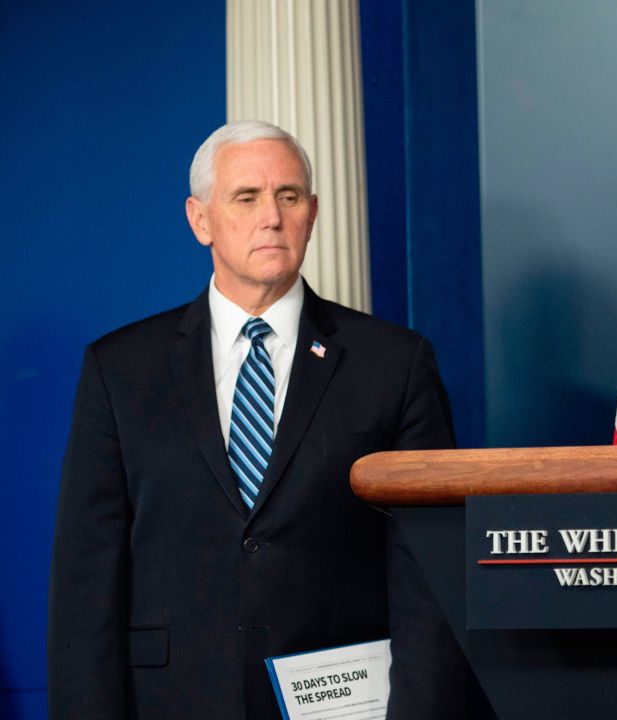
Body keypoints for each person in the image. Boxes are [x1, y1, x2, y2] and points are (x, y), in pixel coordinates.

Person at [48, 120, 461, 719]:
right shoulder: (120, 371)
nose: (272, 215)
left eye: (289, 196)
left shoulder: (394, 364)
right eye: (247, 197)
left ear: (312, 213)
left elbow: (428, 575)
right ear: (201, 220)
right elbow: (86, 582)